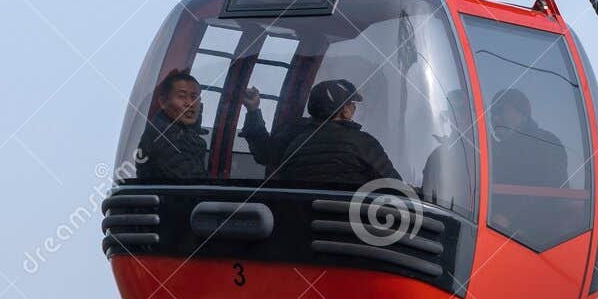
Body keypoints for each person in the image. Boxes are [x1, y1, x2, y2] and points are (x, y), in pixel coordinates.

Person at [241, 77, 400, 190]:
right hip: (349, 229)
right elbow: (396, 188)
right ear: (345, 112)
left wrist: (253, 111)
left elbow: (263, 154)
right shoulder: (363, 144)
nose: (354, 108)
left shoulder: (293, 139)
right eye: (351, 103)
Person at [136, 69, 209, 181]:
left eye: (194, 97)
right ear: (163, 102)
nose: (190, 103)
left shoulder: (183, 131)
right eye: (182, 96)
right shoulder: (165, 137)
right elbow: (193, 184)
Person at [488, 88, 567, 187]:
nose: (495, 118)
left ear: (523, 114)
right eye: (492, 113)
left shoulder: (546, 143)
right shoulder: (502, 149)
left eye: (502, 111)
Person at [421, 89, 475, 213]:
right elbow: (427, 200)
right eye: (453, 111)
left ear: (473, 115)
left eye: (462, 111)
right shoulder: (437, 156)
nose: (457, 117)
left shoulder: (490, 155)